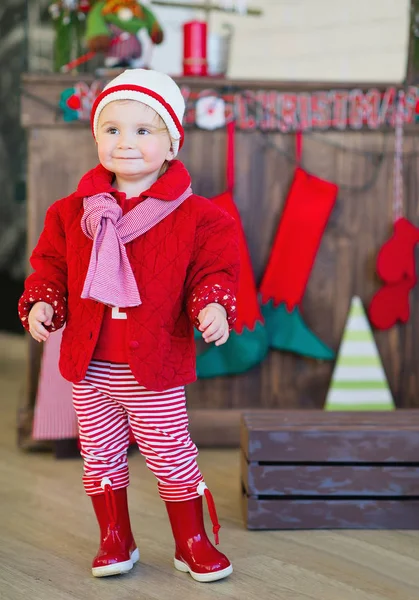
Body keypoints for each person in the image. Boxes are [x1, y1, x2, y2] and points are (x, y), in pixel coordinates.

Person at [18, 68, 239, 582]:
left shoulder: (198, 218)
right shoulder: (73, 213)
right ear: (96, 137)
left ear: (170, 145)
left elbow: (213, 272)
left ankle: (191, 543)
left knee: (171, 458)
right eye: (112, 130)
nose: (126, 143)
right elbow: (51, 266)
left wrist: (211, 306)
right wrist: (43, 302)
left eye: (144, 131)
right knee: (98, 456)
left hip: (152, 370)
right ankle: (115, 538)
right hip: (91, 368)